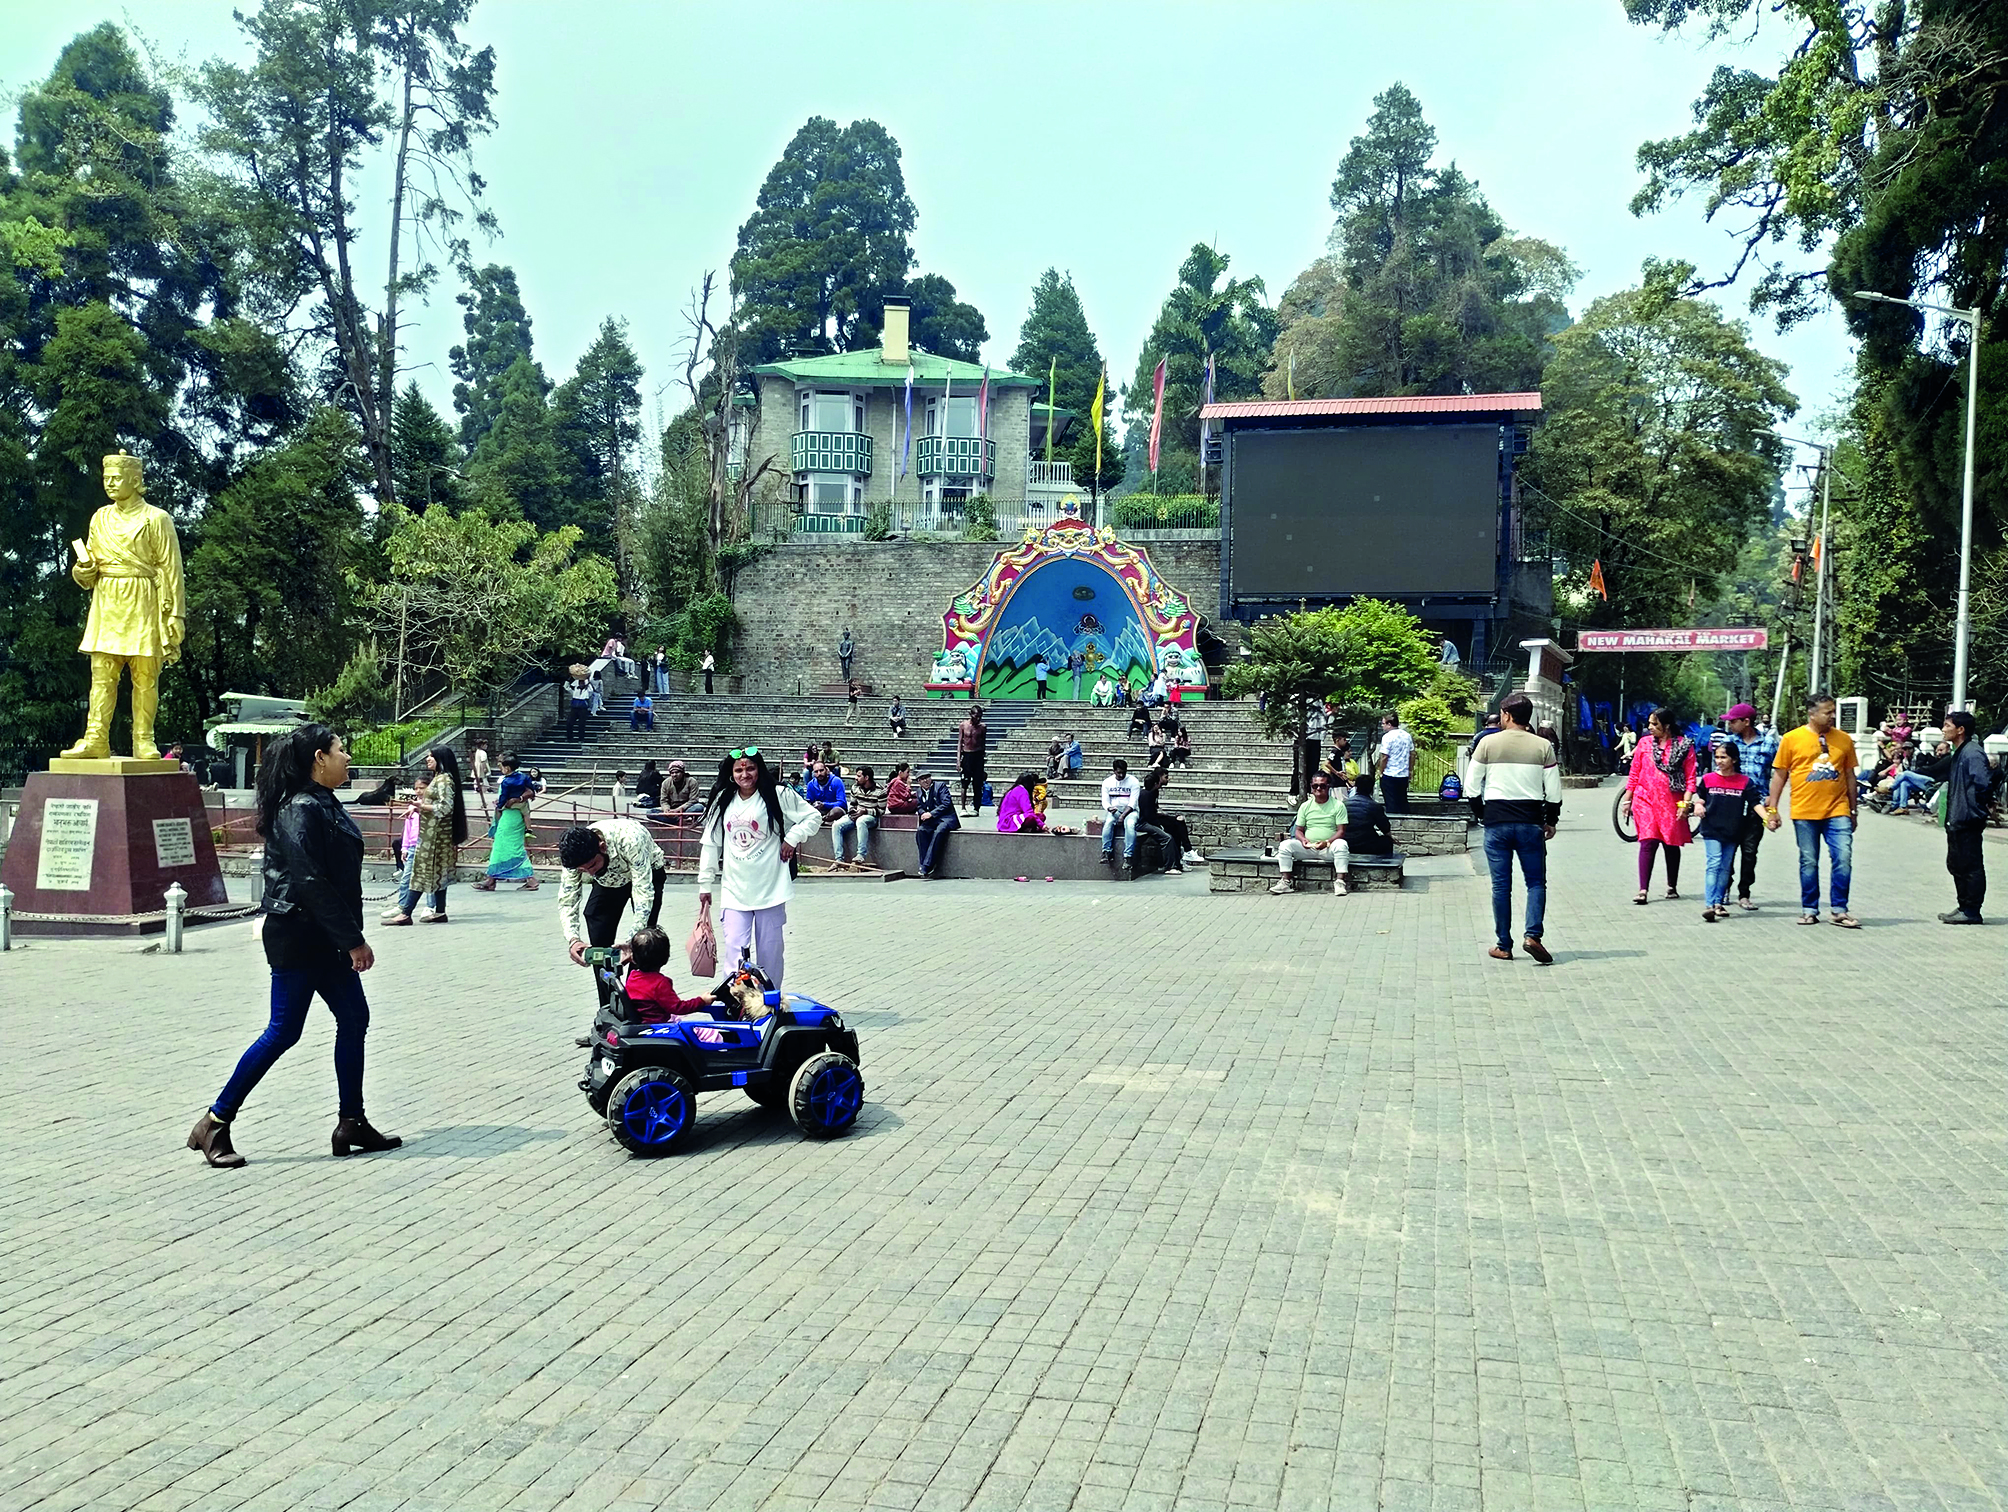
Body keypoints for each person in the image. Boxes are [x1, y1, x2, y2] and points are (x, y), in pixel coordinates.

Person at [189, 724, 399, 1167]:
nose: (347, 757)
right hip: (299, 934)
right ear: (319, 758)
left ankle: (352, 1121)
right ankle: (214, 1121)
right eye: (341, 750)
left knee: (354, 1017)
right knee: (284, 1030)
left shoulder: (322, 802)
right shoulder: (299, 807)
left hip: (323, 934)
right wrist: (354, 941)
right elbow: (309, 881)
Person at [696, 749, 820, 985]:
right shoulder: (723, 800)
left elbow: (812, 817)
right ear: (731, 774)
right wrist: (705, 882)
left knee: (770, 951)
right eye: (739, 770)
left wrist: (792, 838)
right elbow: (711, 843)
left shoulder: (778, 794)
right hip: (735, 889)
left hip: (771, 888)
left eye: (750, 768)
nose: (745, 774)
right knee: (734, 948)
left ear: (759, 770)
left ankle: (769, 998)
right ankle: (735, 1000)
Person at [1465, 692, 1561, 963]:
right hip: (1531, 822)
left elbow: (1471, 785)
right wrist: (1551, 820)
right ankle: (1532, 936)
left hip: (1497, 822)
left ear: (1506, 715)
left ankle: (1503, 945)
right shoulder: (1543, 746)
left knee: (1501, 886)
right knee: (1535, 882)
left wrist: (1481, 813)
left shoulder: (1487, 744)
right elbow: (1553, 791)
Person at [1766, 694, 1860, 927]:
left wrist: (1854, 810)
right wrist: (1772, 809)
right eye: (1827, 712)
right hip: (1804, 811)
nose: (1832, 716)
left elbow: (1849, 776)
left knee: (1843, 858)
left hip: (1838, 810)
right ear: (1812, 713)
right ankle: (1810, 908)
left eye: (1832, 711)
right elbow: (1780, 775)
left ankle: (1839, 909)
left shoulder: (1844, 740)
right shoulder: (1791, 739)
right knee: (1809, 861)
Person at [558, 817, 670, 1007]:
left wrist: (631, 943)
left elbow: (643, 893)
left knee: (643, 944)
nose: (589, 873)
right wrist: (573, 939)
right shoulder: (575, 855)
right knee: (596, 922)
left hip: (646, 873)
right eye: (582, 870)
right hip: (609, 880)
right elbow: (568, 898)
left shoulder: (631, 840)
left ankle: (638, 1010)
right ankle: (608, 1012)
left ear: (602, 847)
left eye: (591, 866)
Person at [1909, 710, 1992, 924]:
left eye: (1947, 725)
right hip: (1957, 818)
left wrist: (1973, 810)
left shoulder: (1972, 753)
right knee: (1956, 863)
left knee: (1970, 864)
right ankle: (1963, 905)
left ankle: (1972, 910)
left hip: (1968, 819)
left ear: (1960, 729)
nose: (1943, 730)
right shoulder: (1959, 752)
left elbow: (1982, 784)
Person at [1706, 703, 1780, 910]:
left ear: (1746, 722)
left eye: (1733, 721)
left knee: (1749, 851)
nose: (1729, 724)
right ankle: (1724, 889)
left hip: (1757, 805)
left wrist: (1772, 808)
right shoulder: (1728, 743)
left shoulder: (1767, 744)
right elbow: (1717, 773)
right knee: (1727, 850)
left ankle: (1744, 892)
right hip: (1730, 804)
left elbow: (1778, 775)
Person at [1687, 742, 1768, 922]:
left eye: (1723, 757)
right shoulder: (1708, 779)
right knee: (1714, 863)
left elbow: (1755, 803)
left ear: (1734, 759)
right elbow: (1700, 796)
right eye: (1717, 757)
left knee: (1724, 868)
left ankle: (1718, 903)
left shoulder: (1745, 782)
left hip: (1733, 830)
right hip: (1711, 828)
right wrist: (1698, 805)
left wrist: (1767, 819)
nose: (1719, 761)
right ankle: (1709, 904)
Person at [385, 746, 466, 925]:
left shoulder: (444, 780)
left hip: (435, 836)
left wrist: (420, 806)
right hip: (433, 834)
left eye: (431, 756)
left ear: (441, 759)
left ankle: (406, 913)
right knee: (438, 873)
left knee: (421, 871)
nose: (427, 759)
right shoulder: (440, 778)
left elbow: (445, 807)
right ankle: (440, 912)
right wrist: (418, 806)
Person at [1627, 708, 1696, 904]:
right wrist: (1627, 799)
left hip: (1672, 802)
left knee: (1670, 842)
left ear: (1666, 726)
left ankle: (1671, 885)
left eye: (1654, 724)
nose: (1650, 728)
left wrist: (1685, 804)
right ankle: (1643, 889)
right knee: (1647, 841)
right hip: (1645, 799)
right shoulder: (1644, 744)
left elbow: (1690, 778)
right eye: (1649, 724)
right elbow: (1634, 773)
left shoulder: (1684, 746)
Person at [1271, 770, 1349, 896]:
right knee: (1285, 846)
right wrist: (1303, 840)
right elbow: (1298, 830)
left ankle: (1340, 882)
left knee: (1341, 844)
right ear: (1311, 787)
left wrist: (1327, 842)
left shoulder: (1338, 806)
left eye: (1322, 786)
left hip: (1328, 848)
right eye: (1315, 786)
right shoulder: (1305, 806)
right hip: (1308, 847)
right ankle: (1285, 882)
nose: (1319, 788)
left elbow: (1341, 831)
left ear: (1328, 787)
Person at [615, 926, 713, 1020]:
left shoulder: (633, 976)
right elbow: (678, 1007)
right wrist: (701, 1001)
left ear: (633, 959)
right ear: (666, 957)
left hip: (646, 1020)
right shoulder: (660, 984)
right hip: (658, 1024)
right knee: (709, 1035)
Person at [474, 752, 540, 891]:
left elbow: (530, 793)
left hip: (512, 815)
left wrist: (514, 800)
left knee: (506, 846)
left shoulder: (512, 780)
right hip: (510, 814)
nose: (498, 765)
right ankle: (492, 878)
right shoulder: (518, 778)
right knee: (504, 846)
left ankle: (529, 878)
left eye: (500, 762)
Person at [1138, 768, 1191, 871]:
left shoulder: (1153, 792)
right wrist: (1159, 826)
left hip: (1151, 820)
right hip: (1143, 823)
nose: (1168, 779)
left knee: (1177, 824)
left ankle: (1180, 860)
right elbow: (1148, 815)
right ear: (1156, 783)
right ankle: (1170, 866)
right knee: (1167, 838)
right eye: (1165, 777)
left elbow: (1154, 811)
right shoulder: (1146, 794)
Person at [913, 766, 960, 878]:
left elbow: (946, 803)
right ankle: (924, 863)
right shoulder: (919, 792)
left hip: (946, 818)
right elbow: (919, 806)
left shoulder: (940, 787)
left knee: (940, 831)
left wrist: (931, 814)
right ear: (919, 782)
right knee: (921, 831)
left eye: (927, 777)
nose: (926, 781)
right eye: (922, 779)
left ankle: (928, 865)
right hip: (932, 820)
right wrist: (923, 812)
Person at [834, 765, 883, 865]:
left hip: (871, 818)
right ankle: (839, 858)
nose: (855, 778)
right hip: (857, 814)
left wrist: (865, 811)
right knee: (836, 825)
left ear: (866, 778)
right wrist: (853, 812)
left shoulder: (880, 790)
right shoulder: (855, 788)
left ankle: (861, 855)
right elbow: (852, 805)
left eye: (858, 776)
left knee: (862, 821)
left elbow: (881, 811)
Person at [1099, 758, 1141, 871]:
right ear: (1114, 771)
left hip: (1130, 811)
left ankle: (1128, 856)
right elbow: (1105, 801)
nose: (1121, 775)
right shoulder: (1107, 782)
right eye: (1119, 772)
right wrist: (1109, 808)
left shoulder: (1133, 781)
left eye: (1123, 772)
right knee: (1108, 823)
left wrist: (1123, 815)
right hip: (1114, 810)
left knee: (1130, 825)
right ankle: (1106, 852)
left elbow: (1133, 802)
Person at [1341, 773, 1394, 858]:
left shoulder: (1344, 804)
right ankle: (1386, 867)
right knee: (1387, 841)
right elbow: (1385, 828)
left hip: (1346, 844)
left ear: (1356, 787)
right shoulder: (1374, 806)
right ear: (1371, 788)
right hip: (1366, 846)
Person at [1375, 712, 1415, 814]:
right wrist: (1410, 770)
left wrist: (1381, 771)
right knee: (1402, 801)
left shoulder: (1387, 737)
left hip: (1390, 774)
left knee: (1390, 802)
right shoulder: (1407, 736)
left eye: (1383, 723)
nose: (1382, 726)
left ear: (1389, 724)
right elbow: (1412, 754)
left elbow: (1384, 757)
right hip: (1403, 774)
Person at [957, 705, 988, 814]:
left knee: (977, 783)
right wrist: (958, 760)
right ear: (971, 715)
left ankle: (976, 807)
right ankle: (963, 808)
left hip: (978, 756)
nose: (978, 719)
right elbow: (960, 742)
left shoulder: (982, 727)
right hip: (967, 755)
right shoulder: (963, 725)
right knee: (964, 782)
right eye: (976, 716)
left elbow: (983, 743)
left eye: (980, 717)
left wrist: (983, 758)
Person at [805, 759, 848, 834]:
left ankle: (822, 821)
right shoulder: (810, 785)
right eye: (816, 772)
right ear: (813, 773)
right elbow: (809, 803)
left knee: (837, 811)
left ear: (827, 770)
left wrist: (824, 805)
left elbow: (842, 803)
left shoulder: (836, 781)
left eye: (821, 770)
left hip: (834, 811)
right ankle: (824, 821)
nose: (819, 773)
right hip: (819, 812)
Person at [565, 667, 593, 740]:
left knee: (581, 724)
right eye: (580, 682)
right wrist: (570, 678)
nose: (581, 684)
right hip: (574, 708)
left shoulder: (587, 691)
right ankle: (570, 738)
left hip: (583, 709)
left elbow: (591, 690)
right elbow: (566, 687)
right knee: (569, 723)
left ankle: (581, 738)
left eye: (582, 683)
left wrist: (588, 679)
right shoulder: (575, 690)